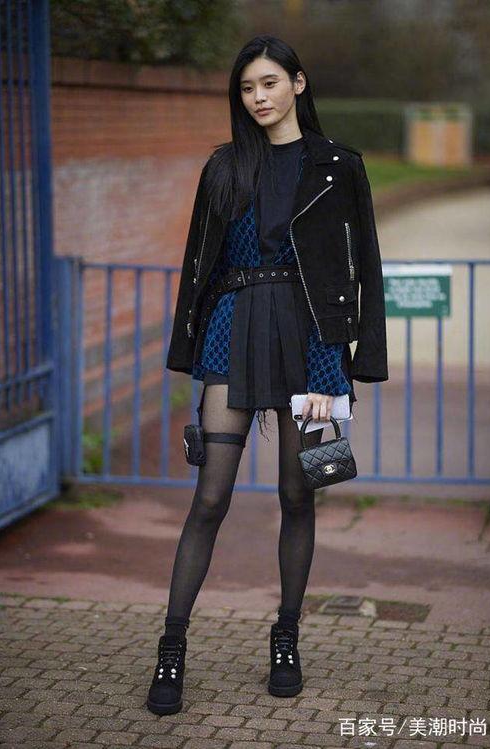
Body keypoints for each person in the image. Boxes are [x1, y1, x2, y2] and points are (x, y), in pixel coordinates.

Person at [147, 34, 388, 716]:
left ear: (298, 84)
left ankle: (286, 637)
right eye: (247, 87)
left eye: (269, 83)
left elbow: (366, 263)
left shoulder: (340, 166)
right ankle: (171, 646)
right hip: (234, 327)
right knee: (210, 498)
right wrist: (186, 348)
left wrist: (360, 361)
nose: (258, 97)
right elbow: (199, 260)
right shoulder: (225, 167)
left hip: (313, 339)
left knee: (298, 492)